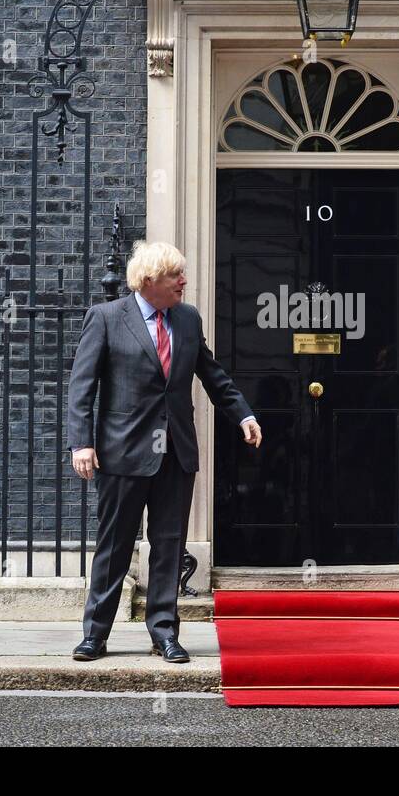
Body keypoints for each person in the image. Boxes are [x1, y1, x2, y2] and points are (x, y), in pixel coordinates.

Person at [67, 241, 261, 663]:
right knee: (114, 545)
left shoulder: (187, 319)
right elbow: (82, 387)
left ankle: (164, 633)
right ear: (150, 280)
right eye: (176, 276)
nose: (183, 282)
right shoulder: (106, 319)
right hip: (122, 452)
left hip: (176, 451)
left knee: (168, 545)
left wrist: (242, 414)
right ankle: (95, 635)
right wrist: (81, 442)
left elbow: (212, 374)